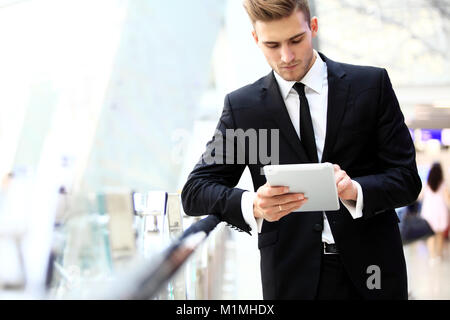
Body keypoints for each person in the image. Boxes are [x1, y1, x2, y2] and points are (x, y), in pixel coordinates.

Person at [181, 0, 422, 300]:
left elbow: (407, 179)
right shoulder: (245, 109)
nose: (286, 56)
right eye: (272, 45)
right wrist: (254, 205)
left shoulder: (370, 86)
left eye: (296, 40)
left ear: (314, 28)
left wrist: (355, 190)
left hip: (374, 270)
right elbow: (194, 191)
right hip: (291, 278)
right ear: (255, 39)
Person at [421, 162, 449, 262]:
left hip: (429, 212)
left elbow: (420, 197)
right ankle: (439, 255)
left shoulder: (426, 184)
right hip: (440, 212)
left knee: (430, 235)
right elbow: (447, 200)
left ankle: (432, 256)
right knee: (440, 234)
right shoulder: (443, 184)